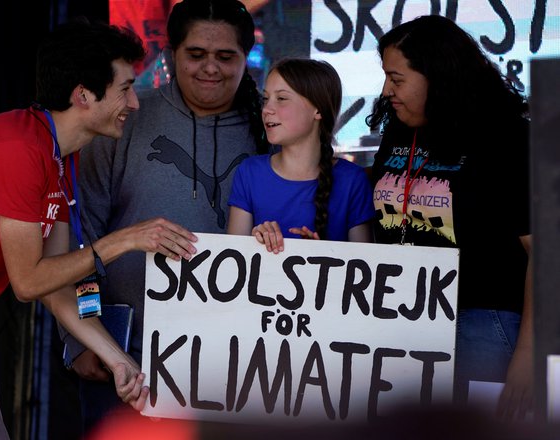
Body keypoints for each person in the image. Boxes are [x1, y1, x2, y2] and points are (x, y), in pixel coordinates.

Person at [0, 19, 200, 440]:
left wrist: (118, 360)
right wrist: (126, 239)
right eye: (125, 89)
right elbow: (27, 281)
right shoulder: (19, 148)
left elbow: (56, 281)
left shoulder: (56, 156)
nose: (134, 103)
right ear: (82, 94)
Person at [57, 0, 269, 433]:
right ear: (171, 54)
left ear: (246, 57)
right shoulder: (124, 116)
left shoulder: (273, 127)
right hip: (126, 363)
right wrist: (83, 334)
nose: (210, 67)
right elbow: (83, 237)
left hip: (242, 368)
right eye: (195, 54)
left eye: (226, 56)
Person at [366, 15, 532, 420]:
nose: (387, 91)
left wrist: (529, 354)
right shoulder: (400, 131)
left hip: (481, 322)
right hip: (402, 320)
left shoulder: (507, 137)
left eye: (397, 78)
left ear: (436, 75)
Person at [226, 57, 375, 251]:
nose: (267, 109)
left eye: (281, 99)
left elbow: (366, 266)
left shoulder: (353, 180)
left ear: (318, 110)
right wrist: (257, 244)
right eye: (266, 99)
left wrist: (319, 255)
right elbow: (232, 258)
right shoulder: (249, 172)